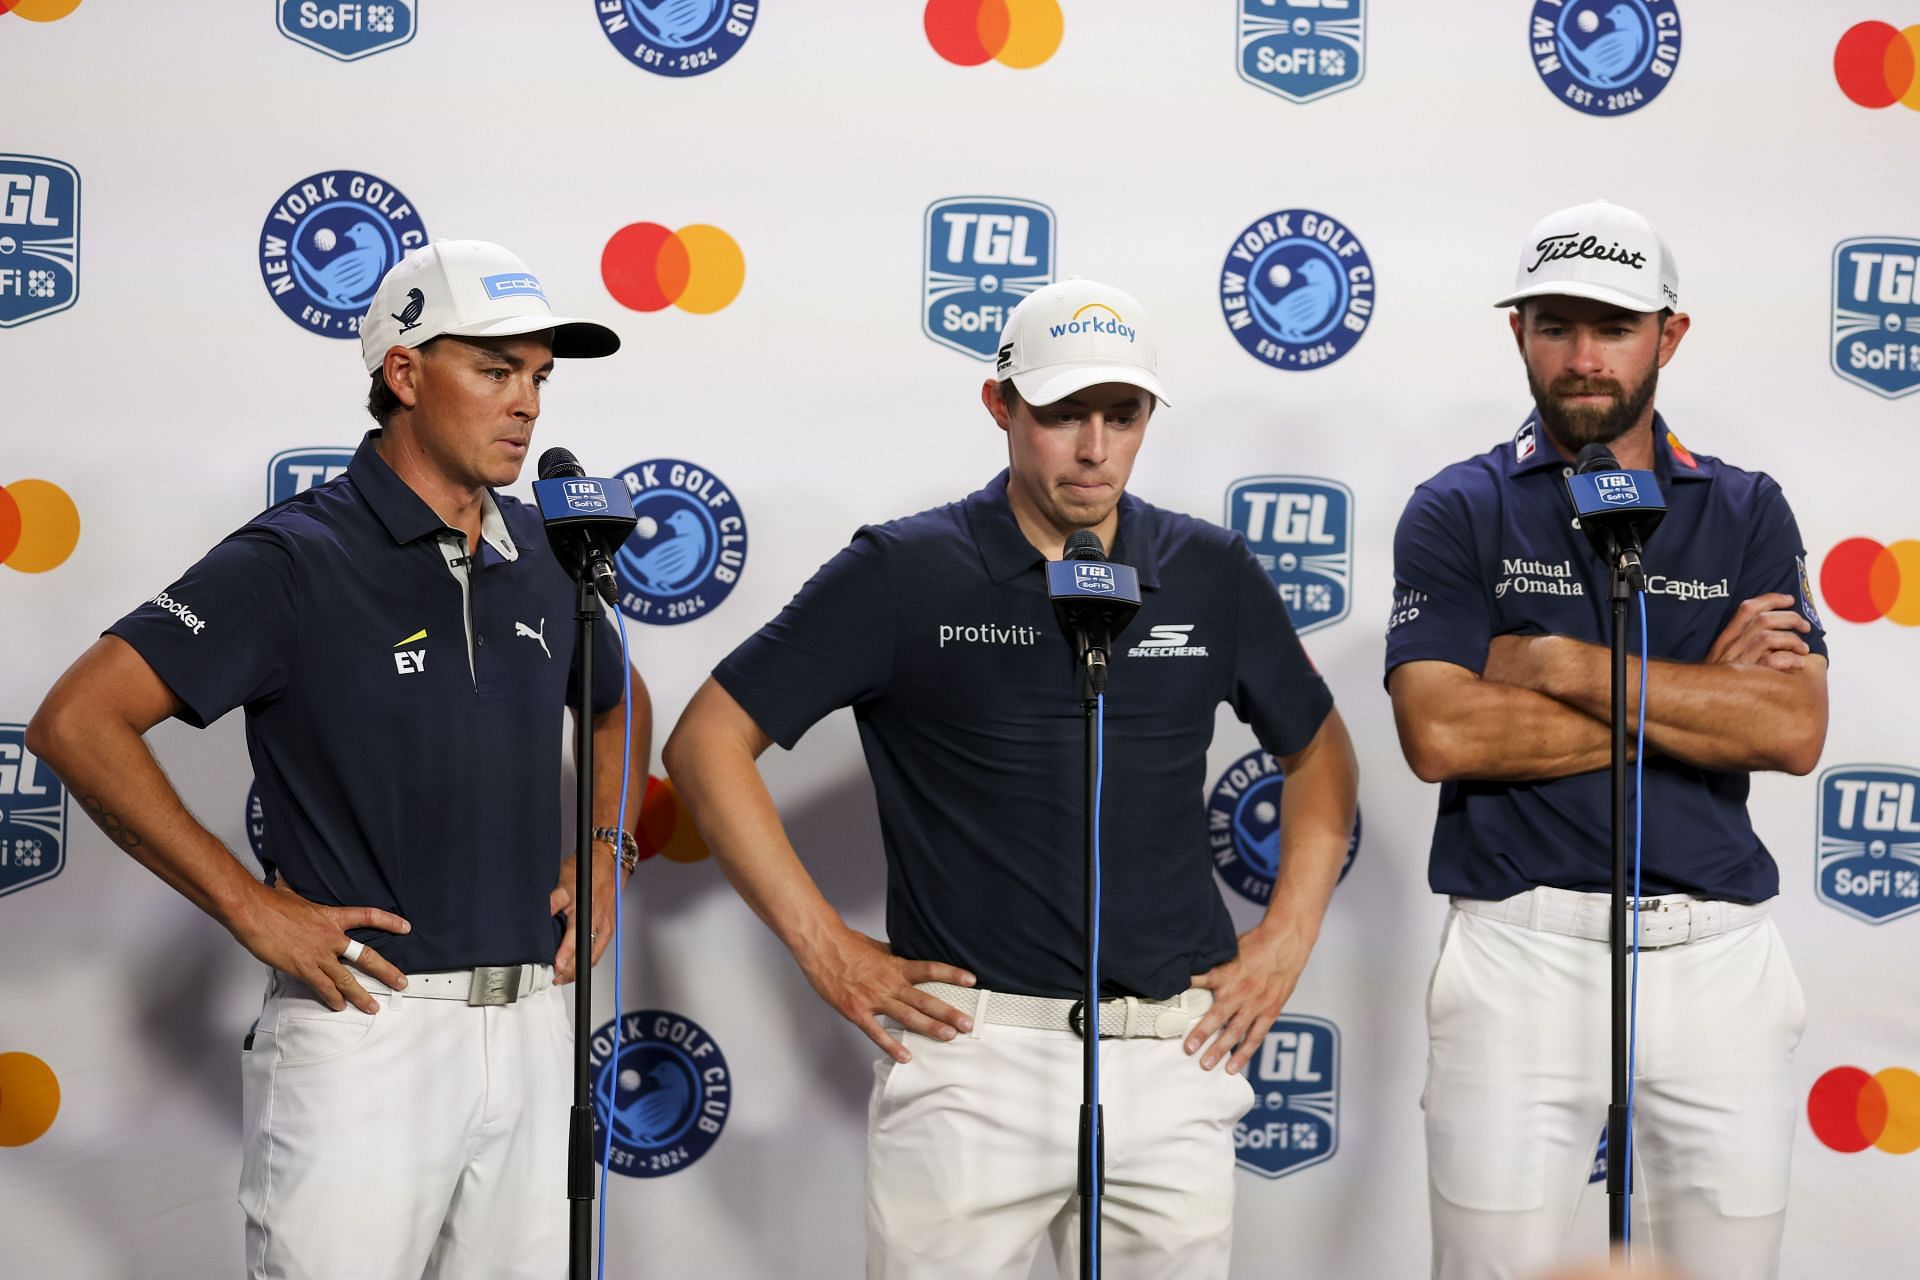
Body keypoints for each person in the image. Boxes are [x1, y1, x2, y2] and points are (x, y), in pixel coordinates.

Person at [663, 278, 1359, 1280]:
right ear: (1001, 405)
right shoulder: (903, 569)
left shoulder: (1207, 568)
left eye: (1122, 416)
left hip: (1175, 1053)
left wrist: (1288, 934)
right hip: (971, 1061)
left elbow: (1321, 751)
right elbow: (705, 744)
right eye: (1064, 413)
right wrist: (827, 948)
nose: (1094, 447)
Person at [26, 239, 651, 1279]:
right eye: (495, 371)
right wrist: (245, 902)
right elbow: (77, 720)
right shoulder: (296, 557)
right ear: (403, 373)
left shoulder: (547, 553)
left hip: (537, 1026)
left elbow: (618, 700)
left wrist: (604, 845)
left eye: (539, 375)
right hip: (368, 1030)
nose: (528, 405)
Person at [1384, 200, 1827, 1280]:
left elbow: (1792, 726)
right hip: (1518, 950)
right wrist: (1698, 694)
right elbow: (1441, 732)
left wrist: (1556, 663)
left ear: (1669, 336)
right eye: (1556, 324)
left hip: (1718, 954)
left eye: (1615, 326)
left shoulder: (1746, 507)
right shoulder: (1458, 507)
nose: (1584, 357)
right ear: (1519, 333)